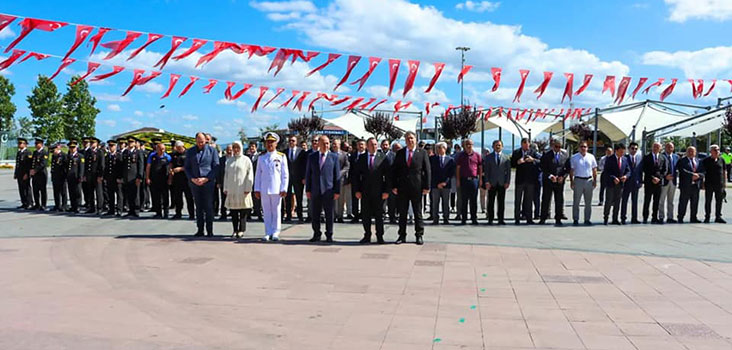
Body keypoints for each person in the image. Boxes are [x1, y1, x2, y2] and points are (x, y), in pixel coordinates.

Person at [392, 131, 431, 245]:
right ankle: (401, 235)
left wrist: (427, 186)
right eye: (408, 138)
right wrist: (394, 185)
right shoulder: (400, 153)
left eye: (412, 138)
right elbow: (395, 170)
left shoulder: (422, 153)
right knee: (402, 213)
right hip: (402, 187)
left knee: (417, 212)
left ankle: (419, 235)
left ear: (416, 140)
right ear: (405, 140)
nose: (410, 140)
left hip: (417, 187)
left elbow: (427, 170)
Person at [353, 137, 391, 244]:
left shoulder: (382, 158)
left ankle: (380, 236)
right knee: (365, 215)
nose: (373, 146)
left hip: (379, 192)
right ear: (367, 146)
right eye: (371, 145)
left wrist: (386, 191)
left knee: (379, 216)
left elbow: (388, 176)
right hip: (365, 192)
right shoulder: (361, 158)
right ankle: (367, 235)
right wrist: (357, 190)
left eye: (375, 144)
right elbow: (356, 176)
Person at [305, 135, 341, 242]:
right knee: (315, 213)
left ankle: (329, 234)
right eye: (323, 143)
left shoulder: (334, 157)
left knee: (329, 214)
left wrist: (337, 191)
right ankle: (316, 233)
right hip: (315, 190)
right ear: (319, 144)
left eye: (327, 143)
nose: (326, 145)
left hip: (328, 190)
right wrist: (308, 189)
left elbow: (337, 175)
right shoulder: (312, 157)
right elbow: (308, 174)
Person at [254, 132, 288, 241]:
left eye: (272, 142)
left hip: (276, 188)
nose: (270, 144)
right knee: (266, 211)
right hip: (264, 189)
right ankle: (267, 232)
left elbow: (284, 174)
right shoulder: (261, 158)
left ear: (276, 144)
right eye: (268, 142)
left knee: (277, 211)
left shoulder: (281, 157)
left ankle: (276, 232)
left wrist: (284, 188)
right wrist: (257, 189)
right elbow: (258, 174)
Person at [185, 132, 220, 236]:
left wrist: (206, 179)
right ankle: (200, 229)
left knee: (208, 207)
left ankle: (210, 230)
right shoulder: (190, 151)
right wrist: (192, 179)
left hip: (207, 183)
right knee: (198, 207)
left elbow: (216, 167)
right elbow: (187, 167)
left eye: (202, 141)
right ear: (195, 140)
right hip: (195, 183)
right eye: (198, 142)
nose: (200, 144)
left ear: (206, 140)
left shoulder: (212, 151)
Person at [223, 141, 254, 238]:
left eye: (237, 148)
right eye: (234, 147)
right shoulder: (229, 161)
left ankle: (241, 229)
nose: (236, 150)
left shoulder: (246, 160)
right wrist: (226, 187)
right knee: (234, 211)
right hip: (232, 189)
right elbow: (226, 175)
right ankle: (235, 229)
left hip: (243, 188)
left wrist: (248, 187)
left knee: (243, 211)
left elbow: (250, 175)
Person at [539, 139, 570, 226]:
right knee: (546, 199)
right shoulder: (547, 155)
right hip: (549, 181)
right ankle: (543, 217)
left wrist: (562, 177)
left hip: (559, 181)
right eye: (556, 147)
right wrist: (550, 176)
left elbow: (567, 168)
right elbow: (542, 167)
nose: (558, 149)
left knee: (559, 200)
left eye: (560, 147)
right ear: (553, 146)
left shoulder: (565, 155)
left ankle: (558, 218)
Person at [511, 138, 540, 225]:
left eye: (527, 144)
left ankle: (529, 219)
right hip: (520, 180)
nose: (526, 145)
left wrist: (533, 160)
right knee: (518, 200)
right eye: (524, 143)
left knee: (529, 200)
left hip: (530, 180)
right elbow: (511, 164)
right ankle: (517, 218)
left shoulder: (533, 152)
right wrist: (518, 162)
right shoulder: (516, 152)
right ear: (521, 144)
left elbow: (540, 161)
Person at [569, 141, 598, 226]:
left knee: (588, 202)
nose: (583, 148)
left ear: (587, 148)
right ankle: (575, 219)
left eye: (585, 147)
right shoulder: (574, 157)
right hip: (578, 180)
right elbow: (571, 170)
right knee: (576, 202)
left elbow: (594, 169)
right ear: (578, 148)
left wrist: (595, 180)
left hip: (588, 180)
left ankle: (587, 219)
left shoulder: (591, 157)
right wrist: (571, 181)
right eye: (581, 147)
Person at [483, 140, 511, 225]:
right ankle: (490, 218)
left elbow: (508, 172)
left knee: (501, 202)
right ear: (493, 147)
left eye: (499, 145)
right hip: (492, 182)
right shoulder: (488, 157)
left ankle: (501, 219)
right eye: (496, 145)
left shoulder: (506, 158)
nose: (498, 147)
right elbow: (486, 171)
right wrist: (487, 181)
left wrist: (507, 182)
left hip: (502, 182)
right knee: (490, 201)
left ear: (502, 146)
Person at [602, 143, 630, 225]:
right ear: (616, 151)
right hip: (611, 184)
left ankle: (615, 218)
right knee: (609, 201)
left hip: (620, 184)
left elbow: (628, 171)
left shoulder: (625, 159)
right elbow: (606, 172)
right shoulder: (610, 159)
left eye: (623, 152)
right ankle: (606, 217)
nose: (622, 154)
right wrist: (613, 177)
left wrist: (625, 176)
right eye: (621, 152)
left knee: (618, 202)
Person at [455, 139, 482, 225]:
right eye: (467, 144)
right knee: (464, 200)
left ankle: (474, 218)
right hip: (464, 180)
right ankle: (464, 218)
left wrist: (480, 179)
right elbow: (458, 169)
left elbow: (480, 168)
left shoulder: (477, 155)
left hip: (474, 180)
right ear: (464, 145)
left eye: (470, 144)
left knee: (473, 200)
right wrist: (458, 180)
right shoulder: (461, 156)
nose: (468, 146)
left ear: (472, 145)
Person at [642, 142, 668, 224]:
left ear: (660, 148)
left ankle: (654, 217)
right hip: (649, 182)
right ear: (652, 148)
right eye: (654, 146)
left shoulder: (663, 158)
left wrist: (659, 178)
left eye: (657, 147)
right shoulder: (646, 157)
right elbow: (644, 169)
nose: (656, 148)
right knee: (647, 200)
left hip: (658, 183)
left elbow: (665, 170)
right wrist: (652, 177)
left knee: (656, 201)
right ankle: (645, 217)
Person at [429, 142, 455, 225]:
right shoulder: (432, 159)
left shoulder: (450, 160)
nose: (439, 150)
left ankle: (446, 218)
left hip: (446, 185)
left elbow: (451, 173)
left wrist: (445, 182)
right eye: (438, 148)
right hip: (435, 185)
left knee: (446, 202)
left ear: (445, 149)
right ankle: (435, 218)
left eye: (441, 148)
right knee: (435, 202)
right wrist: (437, 183)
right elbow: (431, 172)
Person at [146, 139, 172, 219]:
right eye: (159, 149)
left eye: (163, 149)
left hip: (164, 179)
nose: (161, 150)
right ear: (156, 149)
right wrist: (147, 178)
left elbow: (171, 169)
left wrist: (170, 179)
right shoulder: (152, 156)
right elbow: (148, 167)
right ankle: (158, 212)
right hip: (154, 179)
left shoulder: (167, 157)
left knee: (165, 197)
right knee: (156, 197)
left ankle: (166, 212)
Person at [677, 146, 702, 223]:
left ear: (695, 152)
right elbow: (682, 170)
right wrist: (692, 175)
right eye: (689, 151)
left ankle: (693, 217)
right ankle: (680, 217)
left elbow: (703, 171)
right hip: (685, 185)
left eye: (693, 151)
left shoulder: (699, 161)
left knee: (695, 202)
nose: (691, 153)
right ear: (686, 152)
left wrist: (699, 176)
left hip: (696, 185)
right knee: (683, 202)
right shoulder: (682, 161)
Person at [702, 145, 727, 223]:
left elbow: (724, 172)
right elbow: (702, 172)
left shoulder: (722, 160)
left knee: (719, 200)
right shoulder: (706, 160)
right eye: (715, 150)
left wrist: (724, 183)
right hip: (709, 184)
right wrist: (702, 183)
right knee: (708, 201)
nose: (717, 151)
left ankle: (718, 216)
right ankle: (707, 216)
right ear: (711, 151)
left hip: (719, 184)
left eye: (718, 150)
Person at [284, 136, 306, 223]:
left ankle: (300, 216)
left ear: (296, 142)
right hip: (288, 178)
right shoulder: (285, 152)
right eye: (290, 141)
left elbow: (304, 165)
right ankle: (288, 215)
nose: (291, 142)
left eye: (293, 141)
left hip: (298, 178)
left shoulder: (301, 152)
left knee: (299, 197)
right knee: (288, 197)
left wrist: (304, 177)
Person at [121, 137, 144, 217]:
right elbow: (123, 165)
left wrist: (139, 176)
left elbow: (140, 165)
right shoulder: (125, 152)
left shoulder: (138, 152)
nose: (130, 143)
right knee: (128, 194)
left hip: (135, 176)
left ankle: (136, 210)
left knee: (135, 194)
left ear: (135, 143)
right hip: (127, 176)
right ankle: (130, 210)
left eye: (132, 142)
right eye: (129, 142)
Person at [621, 142, 643, 224]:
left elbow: (640, 171)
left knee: (635, 201)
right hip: (626, 183)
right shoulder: (624, 158)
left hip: (636, 183)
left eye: (636, 149)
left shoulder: (639, 159)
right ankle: (623, 217)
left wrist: (640, 181)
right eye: (632, 148)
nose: (634, 150)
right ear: (629, 149)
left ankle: (634, 218)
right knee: (624, 201)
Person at [658, 142, 679, 223]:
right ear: (665, 148)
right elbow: (659, 169)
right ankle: (661, 217)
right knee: (661, 200)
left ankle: (670, 217)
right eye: (668, 147)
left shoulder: (676, 157)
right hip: (664, 181)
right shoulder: (661, 156)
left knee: (671, 201)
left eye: (671, 147)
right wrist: (664, 176)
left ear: (673, 148)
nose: (669, 149)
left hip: (673, 181)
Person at [83, 137, 104, 214]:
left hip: (96, 175)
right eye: (91, 143)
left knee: (99, 192)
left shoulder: (100, 152)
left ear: (97, 144)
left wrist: (100, 175)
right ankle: (91, 207)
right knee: (90, 192)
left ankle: (99, 208)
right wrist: (84, 175)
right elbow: (86, 164)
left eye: (93, 143)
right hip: (89, 175)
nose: (92, 144)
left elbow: (102, 165)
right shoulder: (88, 152)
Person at [103, 139, 123, 216]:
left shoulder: (119, 155)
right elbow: (106, 167)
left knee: (119, 194)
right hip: (109, 178)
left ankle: (119, 210)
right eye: (109, 146)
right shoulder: (107, 156)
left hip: (117, 178)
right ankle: (111, 210)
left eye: (112, 146)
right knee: (110, 194)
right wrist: (105, 177)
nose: (111, 147)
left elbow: (121, 168)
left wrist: (120, 177)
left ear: (115, 146)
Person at [332, 139, 351, 223]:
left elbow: (347, 166)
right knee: (332, 199)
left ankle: (340, 215)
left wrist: (340, 173)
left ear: (340, 145)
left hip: (341, 180)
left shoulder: (344, 155)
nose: (335, 145)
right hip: (331, 180)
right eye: (333, 144)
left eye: (336, 144)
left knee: (341, 198)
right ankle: (333, 215)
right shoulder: (329, 154)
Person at [348, 139, 366, 223]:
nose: (361, 146)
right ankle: (355, 215)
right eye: (359, 144)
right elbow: (350, 168)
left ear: (365, 146)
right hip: (355, 180)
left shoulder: (367, 155)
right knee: (354, 198)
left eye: (362, 144)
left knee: (364, 199)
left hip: (365, 181)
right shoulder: (353, 156)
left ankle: (363, 214)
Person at [66, 139, 84, 213]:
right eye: (70, 147)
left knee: (77, 192)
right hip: (70, 177)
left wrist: (80, 176)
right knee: (71, 192)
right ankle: (73, 206)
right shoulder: (68, 156)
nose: (72, 149)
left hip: (76, 177)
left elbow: (81, 167)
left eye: (73, 147)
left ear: (76, 147)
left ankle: (78, 206)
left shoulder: (80, 156)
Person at [30, 138, 49, 211]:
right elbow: (33, 163)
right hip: (35, 174)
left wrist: (35, 170)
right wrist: (31, 170)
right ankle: (37, 204)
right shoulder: (35, 152)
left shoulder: (44, 153)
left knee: (42, 190)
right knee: (35, 189)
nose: (35, 145)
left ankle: (43, 205)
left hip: (41, 174)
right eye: (35, 144)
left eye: (37, 144)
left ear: (41, 144)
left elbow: (43, 164)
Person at [14, 137, 33, 209]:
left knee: (27, 188)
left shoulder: (28, 153)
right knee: (21, 188)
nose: (19, 145)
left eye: (20, 143)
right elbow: (18, 164)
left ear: (25, 144)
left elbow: (29, 165)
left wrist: (27, 174)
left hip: (25, 173)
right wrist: (16, 173)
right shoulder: (19, 153)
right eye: (18, 143)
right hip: (19, 173)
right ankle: (24, 202)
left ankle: (29, 202)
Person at [246, 141, 262, 221]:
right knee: (248, 197)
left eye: (253, 146)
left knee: (257, 198)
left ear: (256, 147)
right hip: (248, 180)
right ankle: (248, 214)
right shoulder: (246, 157)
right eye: (250, 146)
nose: (252, 148)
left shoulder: (260, 157)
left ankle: (258, 214)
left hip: (257, 180)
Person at [385, 142, 401, 224]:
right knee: (391, 201)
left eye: (399, 148)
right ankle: (392, 216)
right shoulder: (389, 156)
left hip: (401, 182)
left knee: (400, 201)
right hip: (391, 182)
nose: (398, 149)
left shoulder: (402, 155)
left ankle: (398, 215)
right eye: (397, 148)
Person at [50, 142, 68, 212]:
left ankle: (64, 205)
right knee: (56, 192)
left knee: (63, 192)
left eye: (54, 150)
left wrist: (65, 175)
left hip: (61, 176)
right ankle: (57, 205)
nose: (53, 152)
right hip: (55, 176)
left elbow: (65, 167)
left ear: (57, 148)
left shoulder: (63, 155)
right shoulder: (54, 156)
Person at [215, 144, 232, 220]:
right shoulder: (221, 159)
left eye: (231, 150)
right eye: (228, 149)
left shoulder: (235, 159)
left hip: (232, 182)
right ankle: (223, 213)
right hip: (223, 181)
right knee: (223, 198)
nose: (229, 151)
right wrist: (218, 182)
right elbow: (218, 171)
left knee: (232, 198)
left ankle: (232, 212)